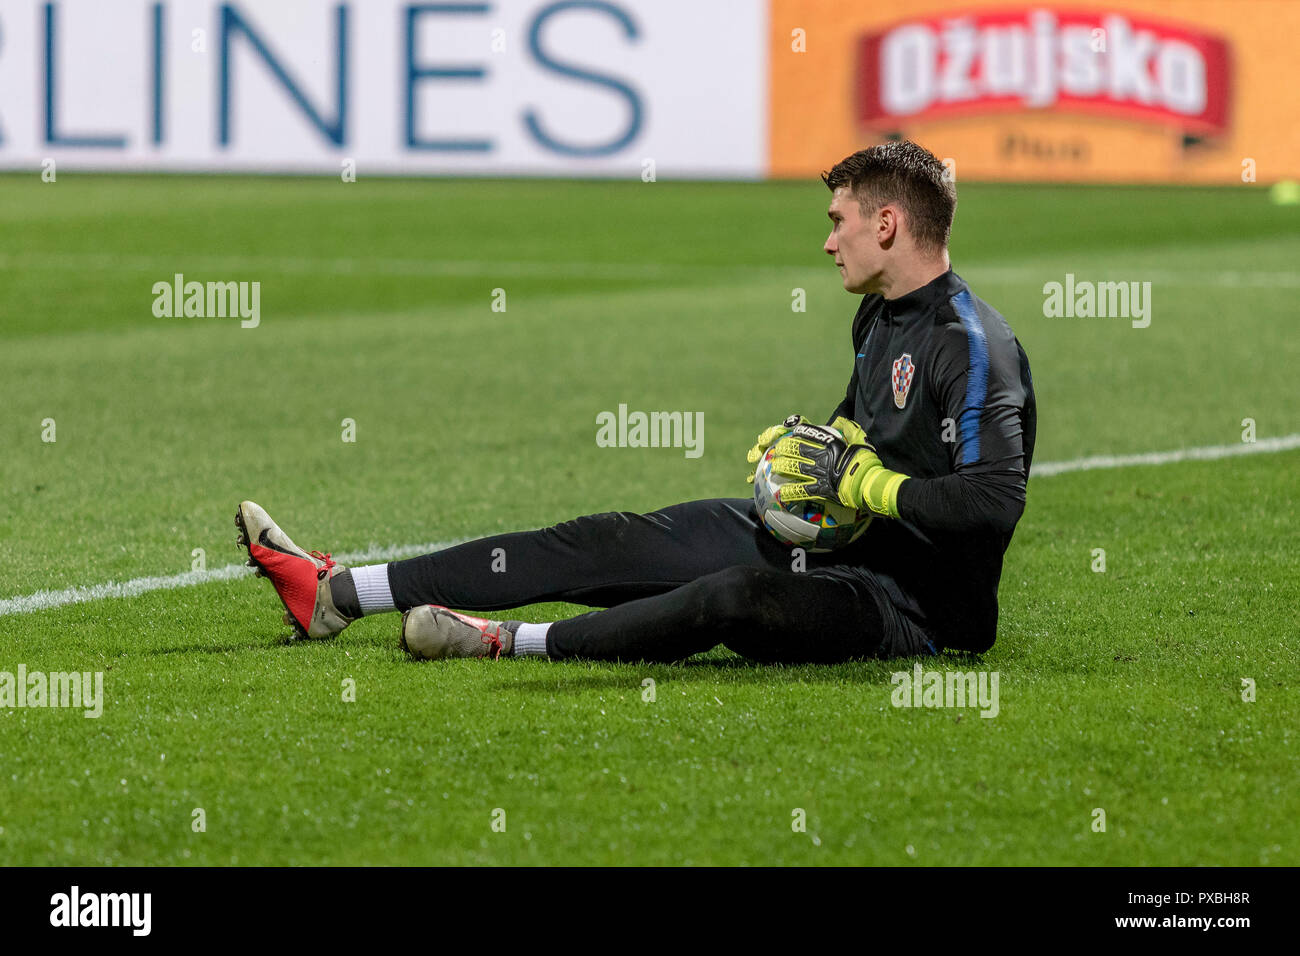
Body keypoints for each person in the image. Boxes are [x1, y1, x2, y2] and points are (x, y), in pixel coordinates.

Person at [236, 140, 1035, 664]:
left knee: (727, 598)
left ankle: (507, 642)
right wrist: (811, 452)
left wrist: (867, 488)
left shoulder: (972, 344)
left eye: (839, 222)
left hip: (912, 609)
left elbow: (994, 501)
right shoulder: (879, 314)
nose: (828, 242)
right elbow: (865, 429)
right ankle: (337, 593)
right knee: (613, 539)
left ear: (887, 224)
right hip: (842, 545)